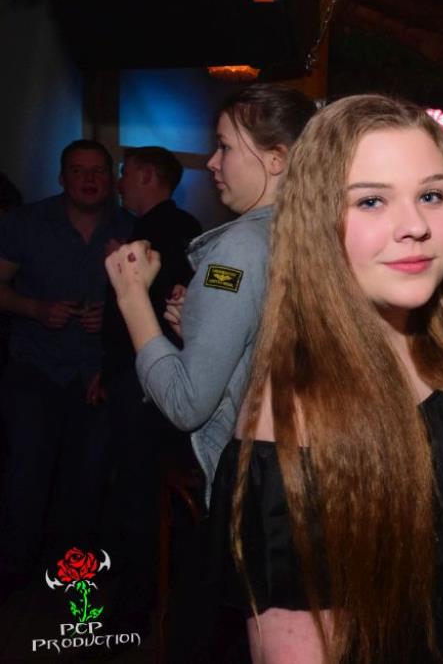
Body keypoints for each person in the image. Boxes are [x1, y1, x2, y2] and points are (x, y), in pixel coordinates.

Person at [202, 95, 443, 663]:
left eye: (431, 196)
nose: (415, 226)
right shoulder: (296, 417)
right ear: (318, 222)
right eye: (371, 201)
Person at [105, 85, 316, 504]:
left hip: (256, 492)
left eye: (224, 147)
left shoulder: (238, 249)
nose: (212, 162)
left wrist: (132, 296)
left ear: (276, 159)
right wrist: (207, 326)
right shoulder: (311, 233)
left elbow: (186, 404)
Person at [0, 139, 132, 587]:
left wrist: (113, 315)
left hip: (97, 374)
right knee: (26, 473)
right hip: (34, 367)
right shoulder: (25, 222)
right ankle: (15, 575)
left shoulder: (130, 227)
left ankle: (73, 576)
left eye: (98, 171)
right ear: (62, 178)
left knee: (89, 479)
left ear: (112, 179)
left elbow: (153, 302)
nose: (89, 179)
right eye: (78, 171)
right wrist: (35, 309)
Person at [99, 145, 202, 628]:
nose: (118, 183)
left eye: (124, 173)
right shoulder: (178, 227)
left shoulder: (162, 233)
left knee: (139, 491)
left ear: (144, 176)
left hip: (150, 383)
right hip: (145, 378)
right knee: (141, 491)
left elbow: (164, 311)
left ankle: (136, 608)